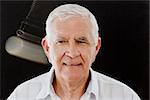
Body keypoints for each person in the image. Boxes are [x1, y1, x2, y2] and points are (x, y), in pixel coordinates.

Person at [7, 4, 141, 100]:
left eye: (81, 41)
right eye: (61, 41)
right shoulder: (22, 95)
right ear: (47, 48)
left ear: (96, 47)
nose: (72, 53)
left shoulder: (125, 96)